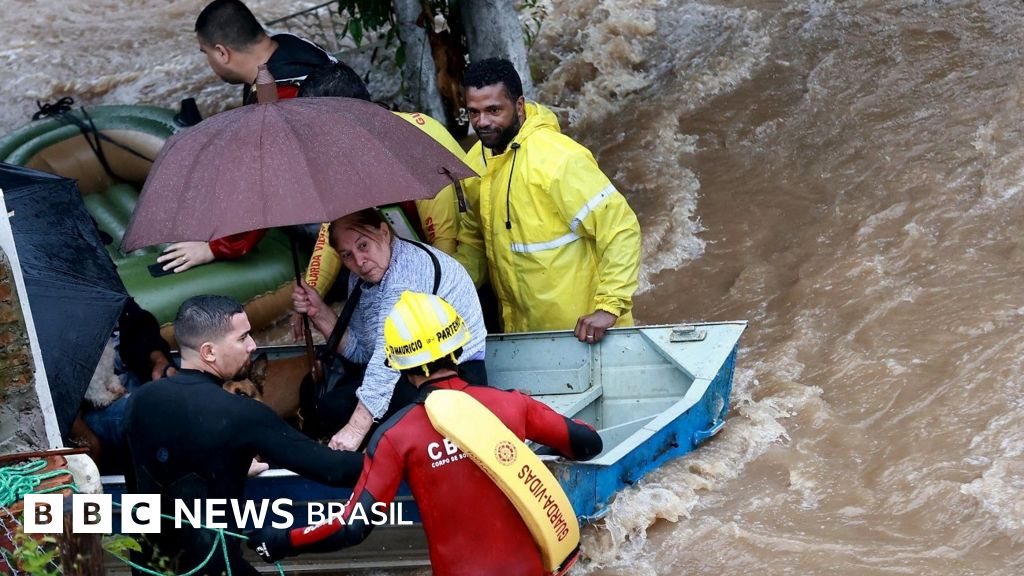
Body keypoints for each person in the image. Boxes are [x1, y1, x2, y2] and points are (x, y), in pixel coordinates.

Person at [246, 291, 603, 574]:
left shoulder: (396, 436)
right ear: (459, 346)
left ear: (397, 365)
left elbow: (352, 526)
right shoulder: (511, 405)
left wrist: (282, 540)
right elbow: (587, 443)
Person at [124, 295, 362, 576]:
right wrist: (396, 449)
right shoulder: (241, 413)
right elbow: (333, 470)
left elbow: (158, 473)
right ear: (209, 352)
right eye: (242, 338)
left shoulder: (138, 401)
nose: (252, 345)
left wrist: (232, 466)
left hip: (148, 570)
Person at [454, 58, 643, 344]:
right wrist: (446, 289)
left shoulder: (559, 159)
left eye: (494, 110)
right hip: (522, 336)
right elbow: (474, 243)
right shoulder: (474, 165)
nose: (482, 122)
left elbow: (620, 228)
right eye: (474, 112)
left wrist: (609, 307)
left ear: (519, 106)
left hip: (586, 335)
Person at [157, 0, 336, 274]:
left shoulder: (278, 97)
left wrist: (215, 247)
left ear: (221, 52)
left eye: (206, 53)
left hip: (340, 213)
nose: (209, 61)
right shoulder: (291, 46)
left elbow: (267, 182)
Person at [291, 209, 487, 451]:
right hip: (412, 372)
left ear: (384, 232)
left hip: (454, 374)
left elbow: (385, 360)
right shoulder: (362, 276)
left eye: (363, 245)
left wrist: (355, 430)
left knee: (343, 413)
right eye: (347, 255)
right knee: (324, 402)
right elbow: (362, 352)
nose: (359, 262)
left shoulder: (406, 273)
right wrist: (319, 312)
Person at [294, 62, 466, 301]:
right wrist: (311, 293)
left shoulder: (415, 141)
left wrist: (426, 307)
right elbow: (334, 228)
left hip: (463, 266)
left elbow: (446, 241)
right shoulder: (342, 152)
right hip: (408, 262)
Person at [71, 298, 175, 473]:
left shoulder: (103, 294)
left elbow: (140, 324)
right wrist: (81, 432)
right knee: (157, 415)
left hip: (127, 375)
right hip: (87, 407)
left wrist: (158, 359)